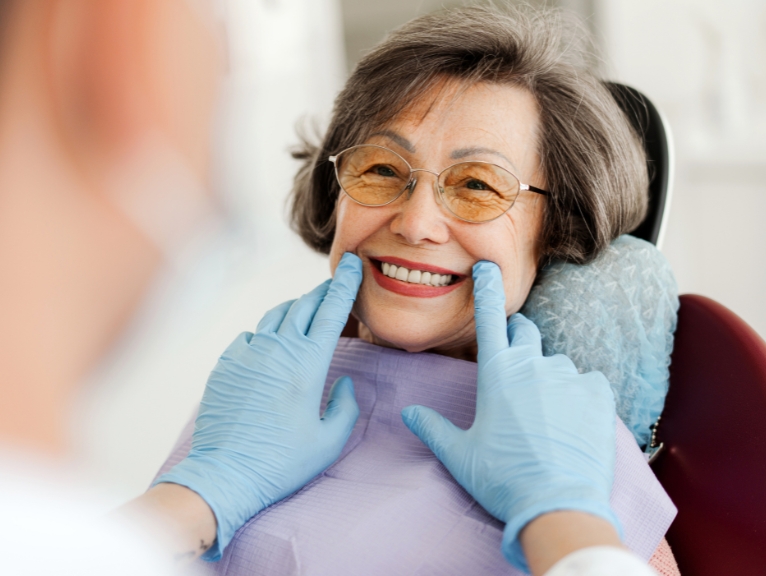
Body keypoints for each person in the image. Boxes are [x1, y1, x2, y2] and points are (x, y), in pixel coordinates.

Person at [0, 0, 663, 575]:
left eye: (477, 186)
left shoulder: (572, 447)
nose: (414, 223)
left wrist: (563, 523)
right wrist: (195, 494)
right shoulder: (255, 400)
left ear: (557, 232)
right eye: (381, 170)